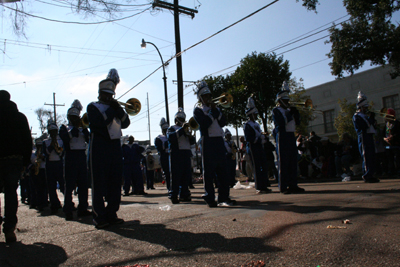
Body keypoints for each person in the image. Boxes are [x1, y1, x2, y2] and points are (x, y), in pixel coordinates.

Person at [87, 69, 130, 229]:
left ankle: (112, 213)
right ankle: (99, 216)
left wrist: (119, 109)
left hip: (115, 146)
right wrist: (113, 109)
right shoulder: (93, 107)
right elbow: (99, 123)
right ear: (100, 94)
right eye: (105, 94)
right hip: (99, 147)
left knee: (115, 181)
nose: (108, 97)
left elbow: (125, 123)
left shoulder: (115, 107)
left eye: (110, 95)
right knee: (99, 183)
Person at [193, 81, 235, 207]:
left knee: (223, 171)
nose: (208, 98)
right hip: (208, 141)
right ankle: (209, 197)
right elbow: (205, 123)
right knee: (209, 171)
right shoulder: (198, 110)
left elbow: (223, 122)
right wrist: (212, 113)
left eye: (209, 96)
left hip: (219, 140)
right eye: (205, 97)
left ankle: (223, 197)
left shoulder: (215, 109)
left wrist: (216, 110)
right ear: (201, 98)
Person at [0, 90, 32, 243]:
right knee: (11, 194)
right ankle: (9, 229)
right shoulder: (19, 117)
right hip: (14, 160)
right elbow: (27, 140)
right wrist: (26, 161)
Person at [59, 100, 91, 220]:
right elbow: (65, 139)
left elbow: (89, 140)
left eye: (76, 117)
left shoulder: (83, 128)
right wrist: (74, 130)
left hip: (81, 156)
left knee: (83, 185)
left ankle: (83, 208)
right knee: (69, 185)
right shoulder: (64, 128)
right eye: (73, 117)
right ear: (69, 117)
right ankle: (68, 209)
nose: (75, 119)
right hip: (70, 156)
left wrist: (84, 129)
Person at [272, 81, 304, 194]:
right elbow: (280, 123)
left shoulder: (289, 110)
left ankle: (293, 185)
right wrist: (290, 114)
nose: (287, 102)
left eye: (287, 100)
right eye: (285, 100)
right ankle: (283, 186)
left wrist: (296, 114)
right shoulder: (276, 110)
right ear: (280, 101)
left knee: (292, 161)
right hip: (282, 135)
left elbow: (297, 123)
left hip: (291, 135)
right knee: (284, 162)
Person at [167, 108, 195, 204]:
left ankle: (184, 194)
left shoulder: (186, 129)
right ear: (176, 119)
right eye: (180, 119)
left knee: (186, 175)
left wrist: (190, 136)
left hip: (186, 153)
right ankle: (173, 195)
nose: (182, 121)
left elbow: (192, 142)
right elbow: (171, 138)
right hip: (176, 153)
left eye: (183, 119)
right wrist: (182, 130)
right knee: (175, 176)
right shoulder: (171, 128)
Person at [243, 97, 271, 194]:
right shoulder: (247, 125)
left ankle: (264, 184)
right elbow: (249, 138)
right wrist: (258, 139)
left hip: (260, 146)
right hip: (253, 147)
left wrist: (263, 138)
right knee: (257, 166)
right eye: (254, 114)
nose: (256, 115)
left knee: (263, 165)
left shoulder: (257, 124)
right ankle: (259, 186)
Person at [353, 91, 379, 183]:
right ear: (360, 107)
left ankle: (371, 174)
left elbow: (372, 126)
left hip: (369, 136)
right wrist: (371, 119)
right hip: (364, 137)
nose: (366, 109)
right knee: (366, 156)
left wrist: (373, 120)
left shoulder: (365, 116)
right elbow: (364, 126)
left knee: (371, 156)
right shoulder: (357, 116)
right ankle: (367, 175)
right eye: (365, 107)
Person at [43, 119, 65, 214]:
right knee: (51, 186)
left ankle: (68, 202)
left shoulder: (60, 140)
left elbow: (62, 153)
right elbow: (46, 154)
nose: (53, 133)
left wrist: (57, 148)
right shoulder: (46, 142)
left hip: (59, 164)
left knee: (63, 184)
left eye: (54, 131)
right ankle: (54, 203)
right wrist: (51, 146)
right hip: (50, 165)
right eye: (51, 131)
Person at [154, 118, 171, 190]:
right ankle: (169, 188)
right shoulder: (158, 138)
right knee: (167, 173)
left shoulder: (171, 135)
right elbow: (160, 149)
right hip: (165, 156)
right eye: (164, 129)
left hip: (172, 156)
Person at [383, 108, 400, 175]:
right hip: (388, 145)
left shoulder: (397, 123)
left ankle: (398, 170)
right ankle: (391, 170)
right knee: (390, 159)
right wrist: (385, 138)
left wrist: (393, 137)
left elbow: (398, 133)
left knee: (398, 158)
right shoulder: (386, 124)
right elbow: (383, 134)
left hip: (396, 144)